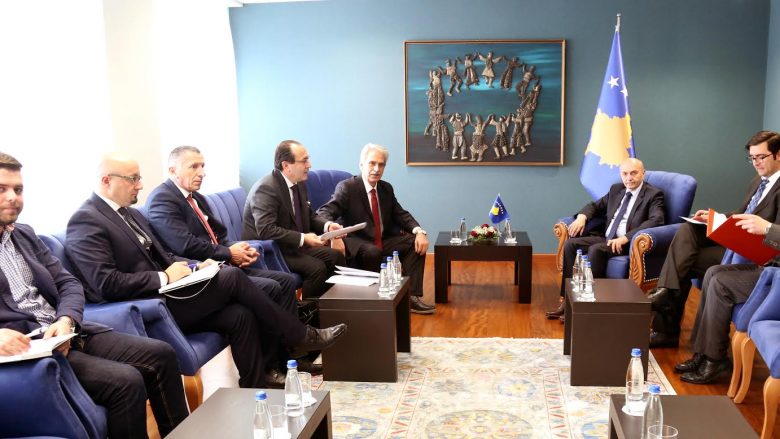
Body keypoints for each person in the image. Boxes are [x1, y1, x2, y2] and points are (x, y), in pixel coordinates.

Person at [65, 154, 347, 388]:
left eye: (139, 178)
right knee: (232, 276)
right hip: (149, 307)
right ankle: (299, 335)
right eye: (133, 179)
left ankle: (256, 385)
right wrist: (164, 276)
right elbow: (105, 283)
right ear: (106, 180)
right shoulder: (85, 220)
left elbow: (166, 256)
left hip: (173, 294)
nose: (140, 185)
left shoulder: (130, 213)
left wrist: (195, 266)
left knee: (240, 315)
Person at [0, 152, 189, 438]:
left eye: (18, 189)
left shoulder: (24, 235)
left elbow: (69, 283)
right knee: (126, 382)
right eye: (2, 189)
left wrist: (66, 319)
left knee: (162, 353)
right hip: (28, 352)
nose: (13, 197)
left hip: (66, 332)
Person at [648, 130, 780, 348]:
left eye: (761, 157)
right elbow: (741, 215)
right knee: (689, 229)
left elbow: (771, 231)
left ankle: (666, 318)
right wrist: (715, 217)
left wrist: (765, 227)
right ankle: (666, 294)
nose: (756, 163)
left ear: (778, 154)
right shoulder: (758, 181)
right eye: (752, 158)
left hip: (757, 255)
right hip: (737, 245)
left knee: (684, 262)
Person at [145, 146, 300, 320]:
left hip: (223, 266)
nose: (202, 173)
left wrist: (238, 250)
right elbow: (185, 245)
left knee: (286, 281)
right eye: (194, 166)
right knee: (271, 287)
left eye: (202, 166)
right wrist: (229, 253)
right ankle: (289, 333)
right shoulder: (162, 199)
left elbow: (219, 235)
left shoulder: (195, 197)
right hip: (200, 274)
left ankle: (290, 336)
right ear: (173, 170)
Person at [317, 143, 435, 314]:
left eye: (381, 165)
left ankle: (411, 297)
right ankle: (374, 300)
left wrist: (419, 231)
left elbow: (401, 214)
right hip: (355, 241)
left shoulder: (385, 188)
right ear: (361, 164)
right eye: (372, 163)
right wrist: (334, 235)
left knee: (414, 243)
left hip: (381, 240)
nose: (376, 169)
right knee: (372, 251)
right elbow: (324, 212)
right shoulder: (348, 187)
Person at [546, 158, 665, 321]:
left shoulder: (654, 194)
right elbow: (595, 206)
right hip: (606, 238)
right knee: (570, 245)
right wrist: (582, 217)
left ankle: (590, 306)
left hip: (628, 243)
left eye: (633, 173)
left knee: (596, 250)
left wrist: (626, 238)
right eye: (625, 174)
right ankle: (567, 302)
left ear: (643, 173)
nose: (629, 178)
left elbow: (656, 220)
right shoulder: (616, 189)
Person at [675, 216, 780, 384]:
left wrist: (768, 228)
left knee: (721, 283)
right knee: (713, 272)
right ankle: (702, 353)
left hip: (776, 278)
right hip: (770, 264)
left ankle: (715, 360)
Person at [242, 140, 346, 299]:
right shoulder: (266, 188)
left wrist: (328, 226)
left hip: (292, 246)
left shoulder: (298, 184)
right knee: (316, 268)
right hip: (271, 251)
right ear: (286, 166)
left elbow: (310, 216)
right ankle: (308, 313)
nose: (309, 165)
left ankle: (332, 306)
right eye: (304, 161)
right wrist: (303, 238)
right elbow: (266, 230)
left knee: (336, 257)